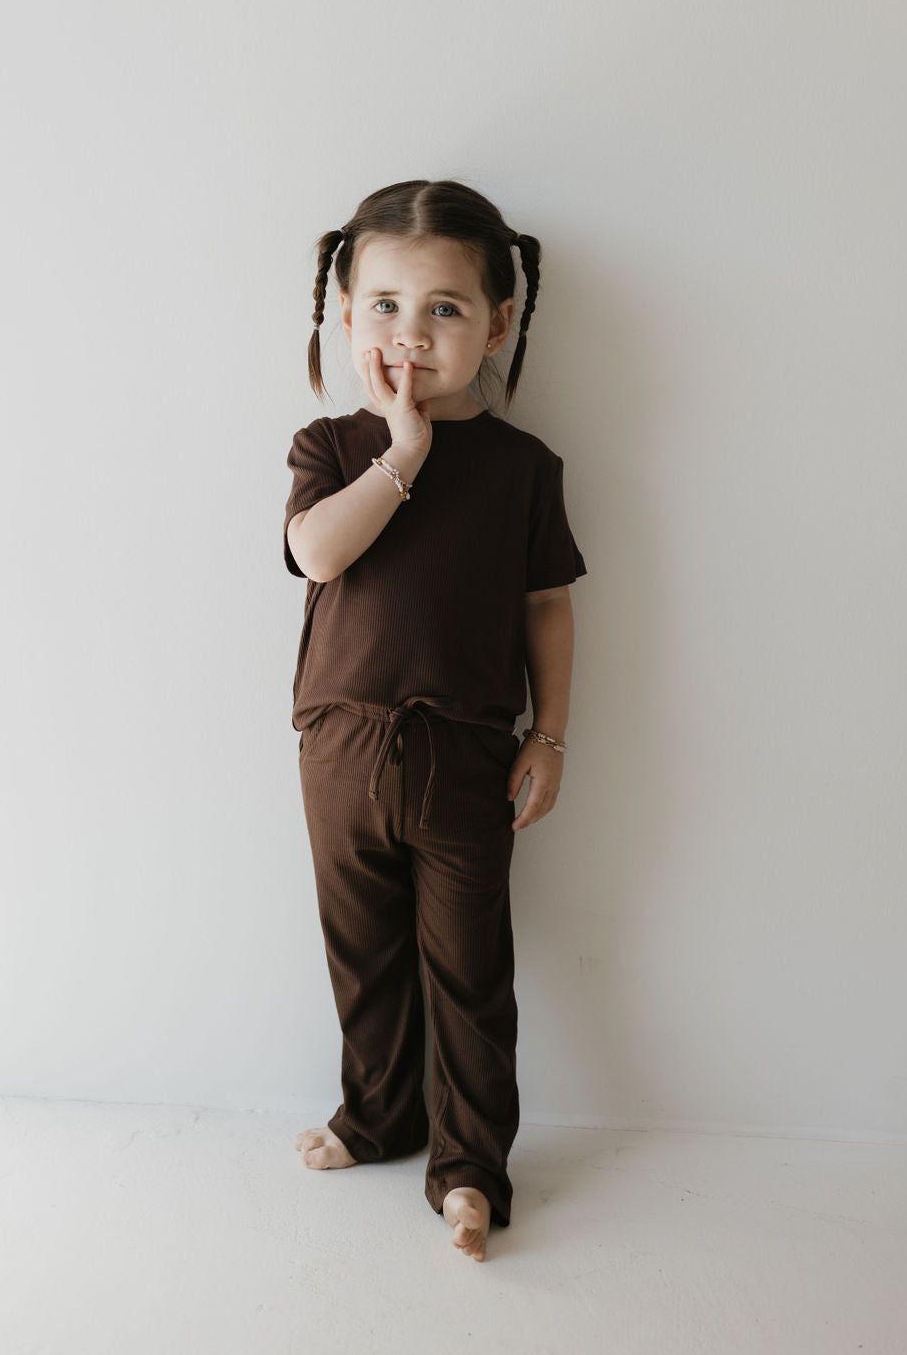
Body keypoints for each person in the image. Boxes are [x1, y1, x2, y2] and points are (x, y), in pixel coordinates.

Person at [283, 178, 587, 1262]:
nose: (410, 334)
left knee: (469, 970)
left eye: (444, 309)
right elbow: (319, 551)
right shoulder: (331, 446)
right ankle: (378, 1115)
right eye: (385, 306)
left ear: (495, 325)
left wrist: (549, 733)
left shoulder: (522, 468)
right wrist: (401, 453)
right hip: (341, 745)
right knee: (363, 955)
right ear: (346, 315)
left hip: (465, 754)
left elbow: (546, 606)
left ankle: (471, 1166)